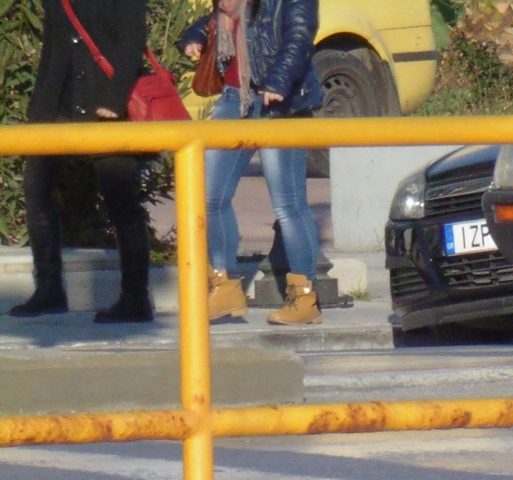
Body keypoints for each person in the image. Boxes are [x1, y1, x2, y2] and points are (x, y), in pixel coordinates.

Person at [181, 0, 324, 328]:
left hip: (279, 101)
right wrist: (196, 37)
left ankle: (304, 297)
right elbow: (219, 19)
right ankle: (225, 287)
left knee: (288, 206)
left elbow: (300, 35)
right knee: (210, 196)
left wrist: (279, 80)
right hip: (237, 96)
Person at [11, 0, 155, 324]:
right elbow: (53, 46)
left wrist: (114, 98)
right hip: (56, 106)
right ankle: (49, 289)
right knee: (36, 190)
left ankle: (136, 298)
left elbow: (132, 41)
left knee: (121, 201)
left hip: (104, 107)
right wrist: (39, 110)